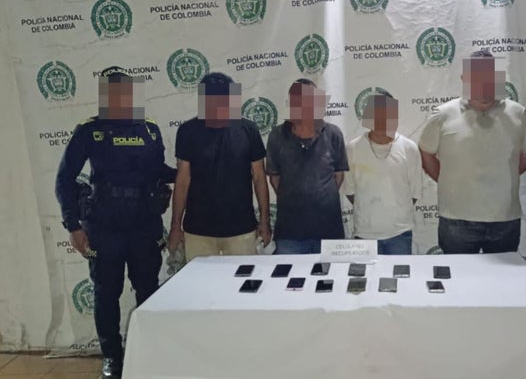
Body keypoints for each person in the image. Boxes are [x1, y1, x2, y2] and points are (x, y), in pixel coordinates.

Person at [55, 66, 176, 378]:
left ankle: (149, 351)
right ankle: (112, 357)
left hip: (144, 225)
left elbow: (159, 170)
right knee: (106, 293)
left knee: (148, 289)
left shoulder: (149, 129)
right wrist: (73, 226)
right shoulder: (89, 130)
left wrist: (189, 171)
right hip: (104, 227)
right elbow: (64, 180)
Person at [418, 50, 526, 254]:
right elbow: (426, 153)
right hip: (456, 219)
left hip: (504, 219)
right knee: (459, 274)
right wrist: (447, 181)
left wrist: (505, 175)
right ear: (465, 78)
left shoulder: (518, 113)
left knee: (502, 275)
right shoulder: (443, 115)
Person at [167, 72, 270, 262]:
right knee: (200, 282)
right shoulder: (187, 131)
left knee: (242, 281)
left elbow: (259, 178)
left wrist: (265, 221)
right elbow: (182, 181)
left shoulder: (248, 130)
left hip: (241, 229)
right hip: (198, 230)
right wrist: (175, 226)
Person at [265, 78, 348, 254]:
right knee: (288, 273)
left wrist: (318, 196)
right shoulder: (277, 135)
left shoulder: (333, 134)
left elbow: (338, 176)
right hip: (290, 232)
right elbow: (275, 179)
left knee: (331, 273)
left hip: (328, 231)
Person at [343, 92, 422, 254]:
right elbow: (350, 191)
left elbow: (414, 192)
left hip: (400, 234)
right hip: (364, 234)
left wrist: (394, 212)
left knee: (400, 272)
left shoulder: (409, 148)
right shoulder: (353, 148)